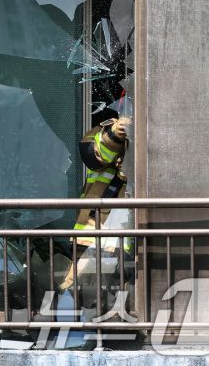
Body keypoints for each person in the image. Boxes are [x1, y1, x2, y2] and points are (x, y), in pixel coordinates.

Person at [60, 116, 132, 293]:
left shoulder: (157, 130)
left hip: (129, 239)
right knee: (78, 292)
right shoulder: (105, 129)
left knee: (120, 299)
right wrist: (115, 133)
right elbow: (92, 153)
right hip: (95, 231)